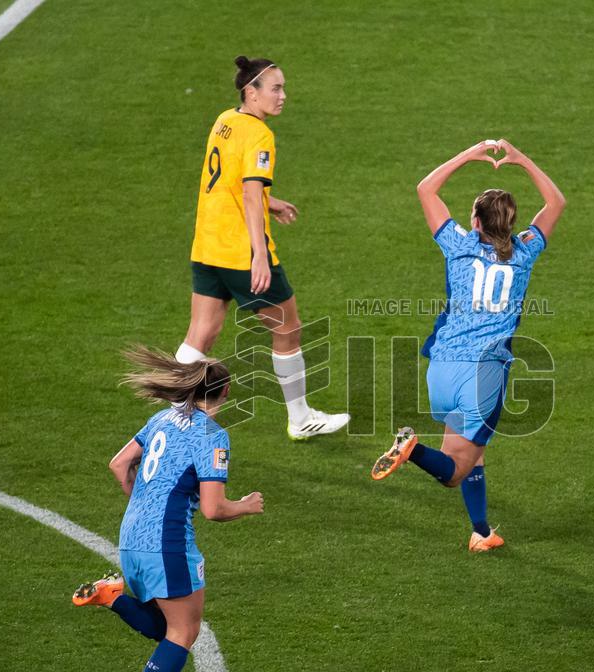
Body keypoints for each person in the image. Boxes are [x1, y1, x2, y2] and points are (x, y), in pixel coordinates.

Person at [371, 139, 566, 552]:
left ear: (475, 222)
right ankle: (411, 449)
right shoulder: (525, 251)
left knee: (473, 453)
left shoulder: (457, 245)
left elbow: (426, 188)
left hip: (442, 366)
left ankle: (482, 532)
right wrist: (522, 159)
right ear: (510, 224)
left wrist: (469, 153)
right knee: (454, 472)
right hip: (483, 375)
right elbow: (556, 202)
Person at [72, 346, 264, 672]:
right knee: (183, 632)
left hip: (131, 536)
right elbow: (214, 509)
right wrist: (246, 506)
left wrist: (143, 502)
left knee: (167, 629)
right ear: (226, 392)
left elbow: (119, 464)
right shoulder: (212, 435)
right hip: (167, 543)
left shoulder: (161, 418)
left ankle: (111, 596)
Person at [176, 55, 349, 440]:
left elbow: (227, 182)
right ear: (251, 92)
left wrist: (273, 202)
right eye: (275, 88)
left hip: (207, 245)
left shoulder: (225, 120)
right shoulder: (260, 135)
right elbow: (251, 193)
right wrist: (258, 254)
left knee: (200, 334)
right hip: (240, 251)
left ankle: (174, 419)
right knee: (288, 328)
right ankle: (300, 419)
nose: (283, 95)